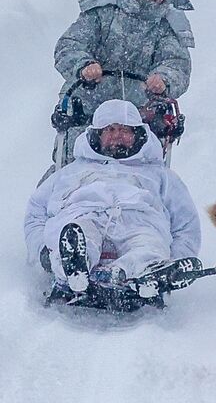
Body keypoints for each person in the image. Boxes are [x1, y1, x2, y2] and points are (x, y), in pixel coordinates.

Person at [25, 100, 202, 297]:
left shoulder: (160, 175)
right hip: (85, 214)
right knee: (78, 233)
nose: (117, 135)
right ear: (97, 135)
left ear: (137, 134)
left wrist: (177, 257)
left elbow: (186, 224)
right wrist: (42, 251)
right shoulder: (72, 171)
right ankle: (74, 269)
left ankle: (146, 273)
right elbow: (36, 212)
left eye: (125, 130)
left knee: (147, 246)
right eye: (110, 129)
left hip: (140, 222)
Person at [51, 0, 194, 167]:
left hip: (140, 120)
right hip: (89, 114)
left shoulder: (170, 24)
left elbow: (177, 64)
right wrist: (84, 66)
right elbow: (69, 45)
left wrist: (163, 79)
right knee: (67, 172)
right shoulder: (102, 10)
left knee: (146, 174)